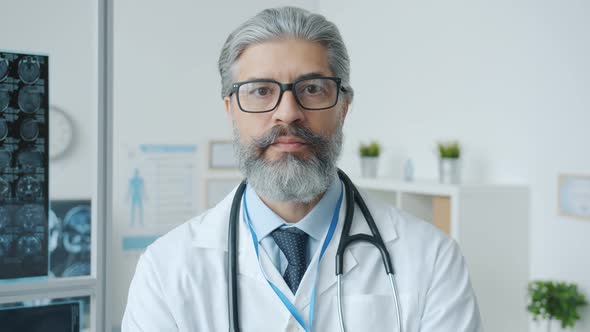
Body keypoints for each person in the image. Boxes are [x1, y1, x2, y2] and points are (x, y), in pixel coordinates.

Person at [122, 7, 483, 331]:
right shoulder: (165, 270)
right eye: (262, 90)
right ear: (231, 108)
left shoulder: (431, 259)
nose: (288, 112)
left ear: (343, 106)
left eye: (311, 88)